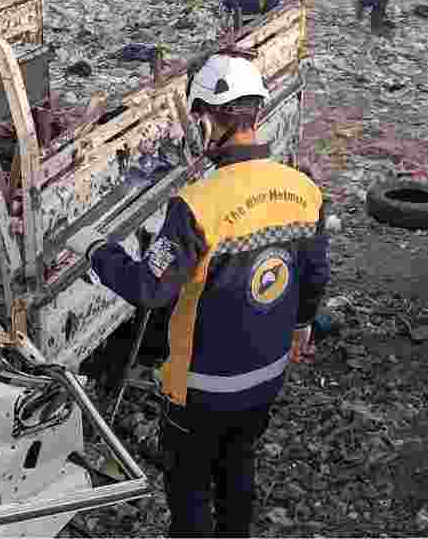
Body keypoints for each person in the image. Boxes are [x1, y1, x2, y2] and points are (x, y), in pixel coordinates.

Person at [67, 52, 331, 538]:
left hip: (201, 390)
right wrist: (300, 325)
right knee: (239, 472)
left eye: (199, 117)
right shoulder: (302, 189)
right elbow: (314, 274)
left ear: (212, 120)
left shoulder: (195, 206)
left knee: (190, 493)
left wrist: (96, 250)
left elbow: (149, 287)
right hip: (267, 376)